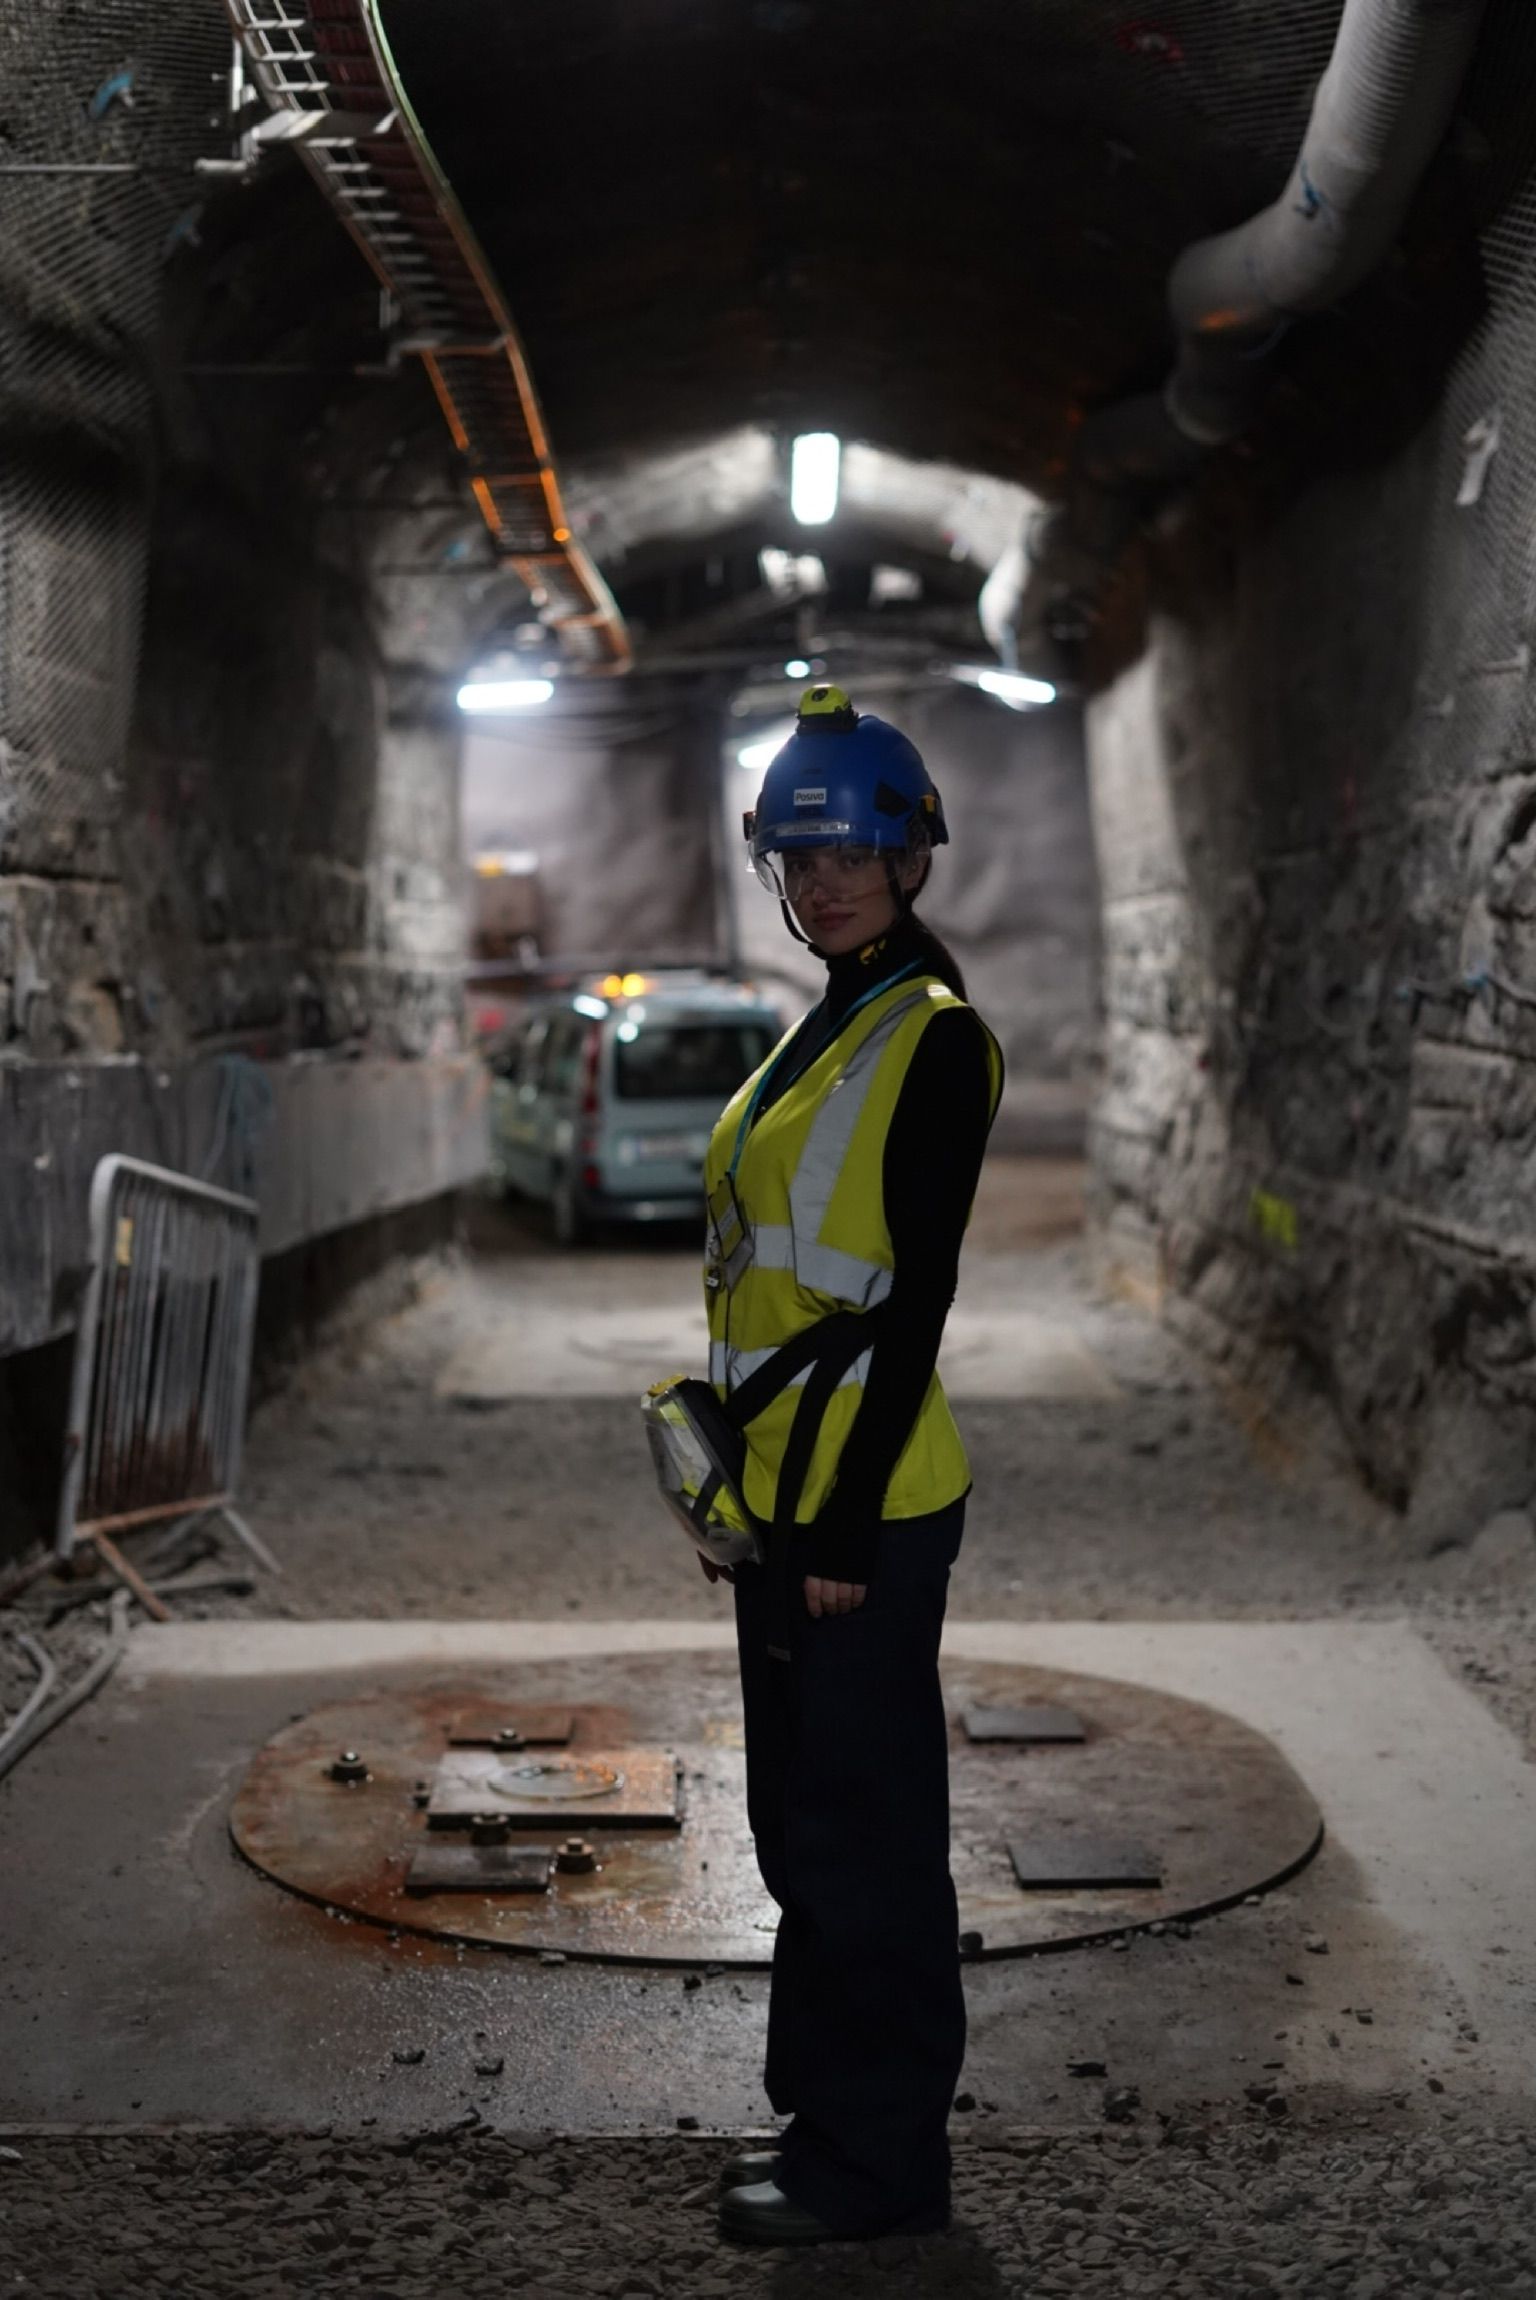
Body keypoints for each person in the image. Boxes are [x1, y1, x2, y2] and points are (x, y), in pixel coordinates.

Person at [699, 683, 1003, 2248]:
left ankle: (883, 2172)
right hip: (788, 1495)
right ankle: (827, 2129)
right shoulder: (831, 1020)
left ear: (910, 858)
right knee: (803, 1832)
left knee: (866, 1843)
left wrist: (835, 1526)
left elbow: (915, 1302)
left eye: (853, 856)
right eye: (799, 859)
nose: (824, 883)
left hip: (861, 1507)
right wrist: (744, 1491)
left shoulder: (931, 1039)